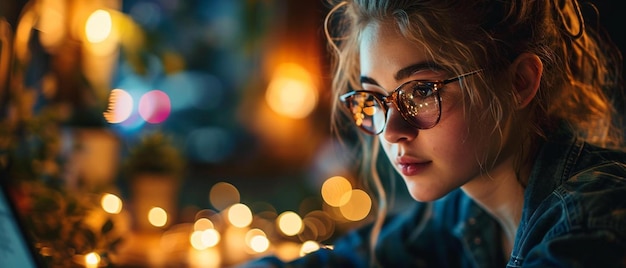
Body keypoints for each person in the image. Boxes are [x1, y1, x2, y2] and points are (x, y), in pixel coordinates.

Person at [242, 0, 626, 267]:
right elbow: (346, 261)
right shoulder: (461, 213)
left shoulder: (593, 220)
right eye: (373, 97)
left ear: (520, 83)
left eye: (422, 91)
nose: (391, 131)